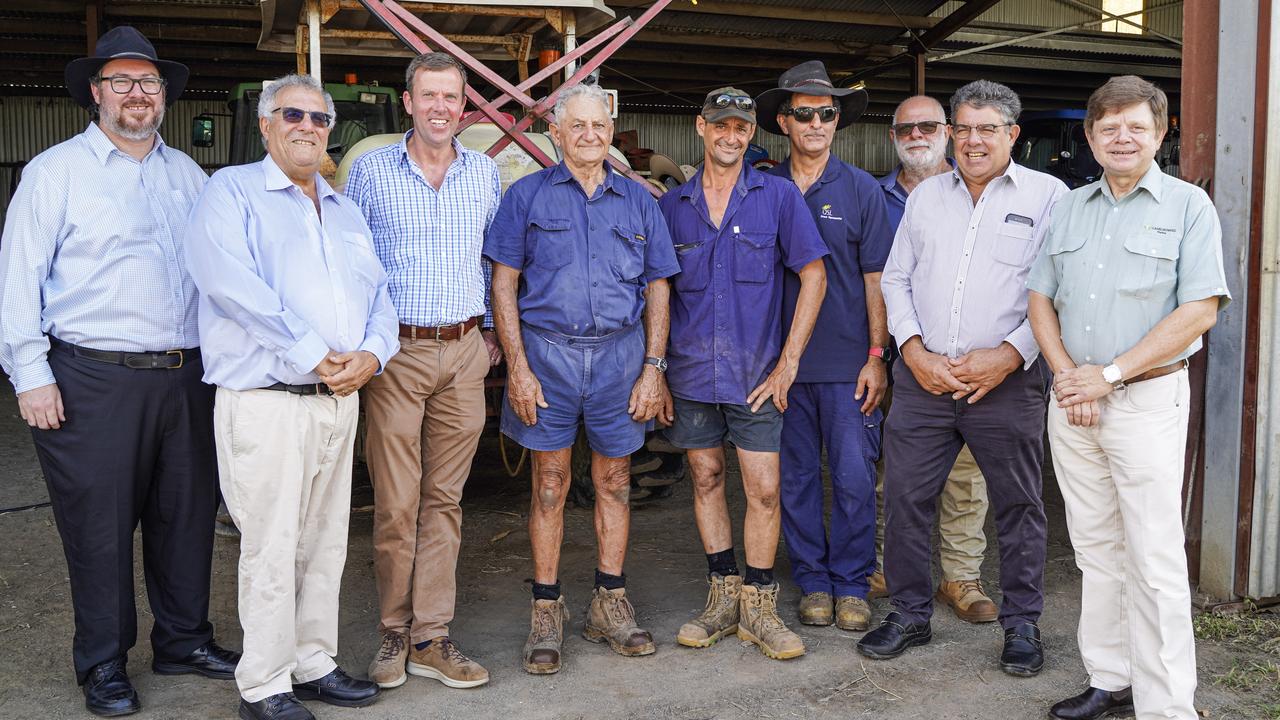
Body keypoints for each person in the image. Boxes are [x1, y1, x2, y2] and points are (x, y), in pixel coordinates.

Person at [0, 26, 239, 717]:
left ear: (164, 96)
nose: (138, 94)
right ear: (97, 94)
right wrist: (29, 374)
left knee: (187, 516)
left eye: (150, 83)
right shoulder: (55, 173)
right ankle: (103, 661)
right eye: (123, 82)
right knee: (98, 527)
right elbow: (18, 280)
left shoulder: (188, 176)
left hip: (187, 375)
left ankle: (184, 640)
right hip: (91, 378)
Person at [185, 73, 400, 720]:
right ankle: (265, 684)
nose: (308, 126)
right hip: (269, 400)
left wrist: (372, 354)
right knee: (272, 547)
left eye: (318, 118)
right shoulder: (232, 192)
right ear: (266, 124)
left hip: (338, 399)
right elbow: (233, 287)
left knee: (325, 542)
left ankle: (312, 662)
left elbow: (379, 294)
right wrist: (315, 355)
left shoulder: (344, 208)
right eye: (293, 115)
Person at [1028, 75, 1230, 720]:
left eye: (1136, 127)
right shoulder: (1071, 207)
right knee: (1095, 550)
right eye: (1108, 127)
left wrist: (1108, 376)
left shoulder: (1187, 208)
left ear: (1160, 133)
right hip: (1074, 400)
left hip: (1142, 400)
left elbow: (1199, 310)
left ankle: (1168, 706)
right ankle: (1109, 678)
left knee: (1155, 556)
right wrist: (1068, 375)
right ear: (1089, 136)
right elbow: (1039, 297)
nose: (1122, 137)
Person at [858, 80, 1066, 677]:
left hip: (1006, 380)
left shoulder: (1051, 197)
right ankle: (908, 614)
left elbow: (1059, 292)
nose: (974, 140)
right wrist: (913, 350)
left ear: (1013, 135)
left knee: (1018, 504)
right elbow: (896, 279)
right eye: (965, 128)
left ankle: (1022, 623)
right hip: (925, 378)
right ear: (953, 131)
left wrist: (1011, 354)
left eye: (988, 129)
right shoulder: (926, 198)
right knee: (903, 498)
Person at [484, 83, 679, 675]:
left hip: (621, 358)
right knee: (549, 483)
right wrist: (517, 366)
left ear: (610, 130)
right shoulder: (526, 197)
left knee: (616, 480)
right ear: (558, 134)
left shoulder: (640, 200)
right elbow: (503, 285)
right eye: (578, 126)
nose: (590, 135)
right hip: (548, 357)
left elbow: (658, 287)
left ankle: (610, 600)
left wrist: (653, 367)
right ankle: (547, 607)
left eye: (599, 126)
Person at [345, 51, 501, 691]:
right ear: (407, 102)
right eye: (429, 96)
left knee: (445, 500)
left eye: (452, 98)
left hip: (464, 350)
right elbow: (351, 265)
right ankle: (392, 628)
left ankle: (432, 637)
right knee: (397, 501)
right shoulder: (372, 173)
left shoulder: (484, 175)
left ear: (464, 107)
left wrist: (490, 332)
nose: (441, 108)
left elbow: (496, 261)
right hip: (397, 353)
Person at [661, 87, 828, 660]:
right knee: (705, 478)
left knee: (763, 488)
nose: (731, 137)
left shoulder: (777, 196)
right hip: (690, 375)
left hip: (758, 374)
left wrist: (788, 364)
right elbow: (658, 292)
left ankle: (759, 604)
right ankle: (722, 595)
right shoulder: (673, 206)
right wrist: (655, 370)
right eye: (721, 126)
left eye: (742, 129)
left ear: (751, 134)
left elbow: (814, 276)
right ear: (701, 128)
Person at [754, 61, 890, 631]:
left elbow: (877, 279)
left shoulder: (861, 188)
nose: (816, 122)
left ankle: (853, 583)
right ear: (784, 121)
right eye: (804, 113)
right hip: (779, 367)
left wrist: (877, 356)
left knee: (856, 478)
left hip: (846, 365)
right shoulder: (762, 186)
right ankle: (812, 579)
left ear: (838, 121)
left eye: (826, 113)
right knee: (797, 478)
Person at [870, 94, 998, 624]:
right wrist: (888, 352)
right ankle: (888, 567)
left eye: (927, 125)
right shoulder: (872, 194)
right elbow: (882, 278)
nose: (916, 135)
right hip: (893, 354)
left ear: (946, 131)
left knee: (968, 472)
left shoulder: (988, 190)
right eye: (906, 128)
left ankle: (960, 575)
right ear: (894, 136)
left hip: (965, 361)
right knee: (893, 471)